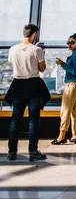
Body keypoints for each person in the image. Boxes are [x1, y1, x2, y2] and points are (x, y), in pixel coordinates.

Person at [5, 24, 50, 161]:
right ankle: (33, 151)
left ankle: (12, 152)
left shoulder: (12, 49)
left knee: (15, 120)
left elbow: (12, 63)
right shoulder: (36, 50)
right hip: (33, 86)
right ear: (34, 34)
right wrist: (40, 52)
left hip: (17, 85)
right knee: (33, 121)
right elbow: (42, 69)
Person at [51, 33, 76, 145]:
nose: (69, 45)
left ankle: (62, 136)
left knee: (65, 110)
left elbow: (74, 71)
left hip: (72, 85)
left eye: (72, 43)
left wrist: (63, 64)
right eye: (68, 43)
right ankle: (74, 135)